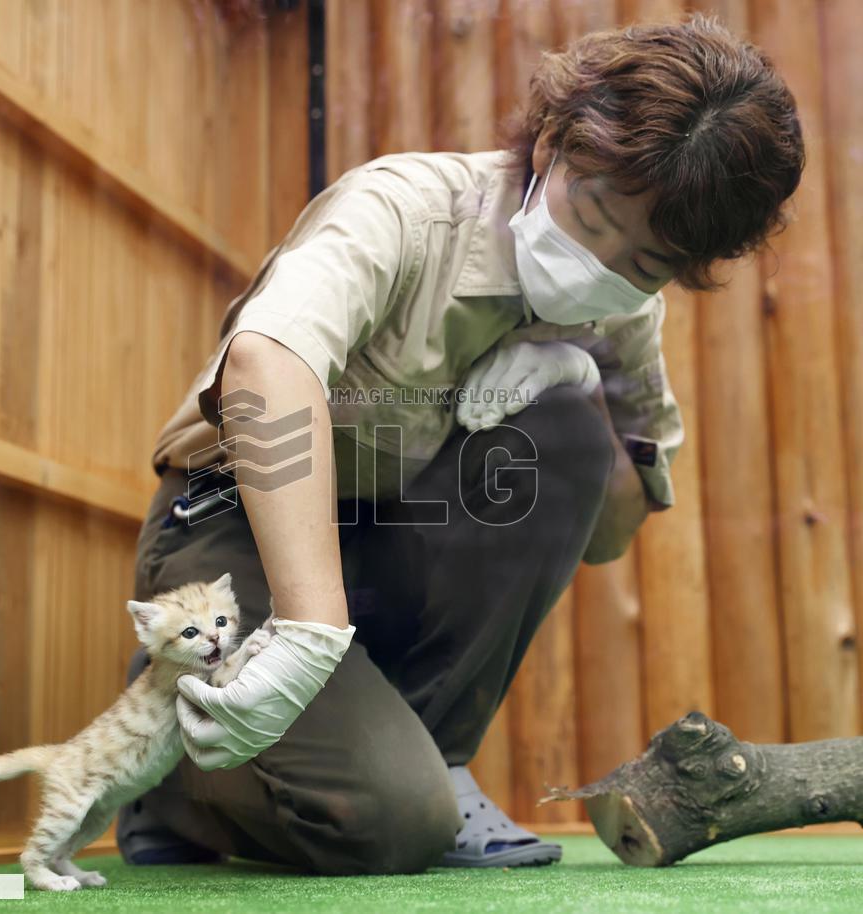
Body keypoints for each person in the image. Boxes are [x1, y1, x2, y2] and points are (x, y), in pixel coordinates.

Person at [117, 13, 803, 875]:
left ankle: (426, 757)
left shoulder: (624, 311)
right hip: (235, 530)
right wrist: (311, 631)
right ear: (553, 140)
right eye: (593, 215)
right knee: (388, 825)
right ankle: (171, 783)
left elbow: (611, 529)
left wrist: (579, 381)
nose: (605, 263)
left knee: (563, 440)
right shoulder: (404, 210)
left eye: (648, 261)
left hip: (392, 542)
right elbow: (264, 364)